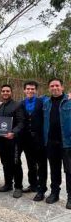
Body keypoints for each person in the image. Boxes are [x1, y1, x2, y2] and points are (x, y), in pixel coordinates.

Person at [43, 78, 71, 209]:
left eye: (57, 85)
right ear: (49, 88)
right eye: (52, 86)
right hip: (51, 142)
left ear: (62, 87)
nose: (55, 88)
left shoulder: (69, 101)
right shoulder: (46, 102)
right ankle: (55, 193)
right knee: (54, 170)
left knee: (69, 170)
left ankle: (70, 197)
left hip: (67, 142)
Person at [0, 84, 25, 198]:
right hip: (1, 141)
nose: (5, 93)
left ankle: (18, 187)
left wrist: (14, 132)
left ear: (11, 92)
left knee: (16, 163)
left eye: (7, 91)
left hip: (14, 140)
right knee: (5, 163)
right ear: (1, 93)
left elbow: (21, 122)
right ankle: (8, 184)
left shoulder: (17, 105)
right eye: (3, 91)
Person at [20, 81, 47, 201]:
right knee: (30, 164)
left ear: (36, 90)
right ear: (24, 90)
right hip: (26, 139)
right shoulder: (21, 103)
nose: (30, 91)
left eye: (32, 89)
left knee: (41, 165)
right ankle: (33, 185)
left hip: (39, 139)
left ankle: (42, 189)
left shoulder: (43, 102)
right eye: (28, 89)